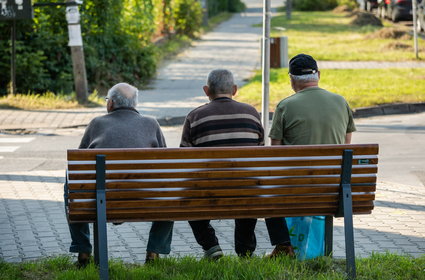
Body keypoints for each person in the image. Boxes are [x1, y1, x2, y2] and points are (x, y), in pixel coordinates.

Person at [180, 69, 294, 259]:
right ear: (234, 89)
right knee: (249, 181)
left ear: (206, 90)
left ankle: (210, 245)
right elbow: (259, 154)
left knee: (188, 194)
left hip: (210, 191)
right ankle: (245, 249)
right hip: (247, 190)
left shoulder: (195, 117)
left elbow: (186, 161)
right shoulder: (250, 113)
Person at [65, 83, 174, 267]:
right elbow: (163, 169)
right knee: (168, 191)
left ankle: (83, 252)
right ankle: (153, 252)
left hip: (102, 201)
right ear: (135, 104)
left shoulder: (96, 123)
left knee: (71, 185)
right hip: (145, 200)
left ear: (111, 104)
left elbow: (79, 167)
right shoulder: (151, 123)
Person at [268, 53, 356, 257]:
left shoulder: (285, 106)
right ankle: (304, 251)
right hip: (333, 188)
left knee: (268, 192)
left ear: (291, 79)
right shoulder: (341, 102)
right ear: (319, 75)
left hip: (297, 188)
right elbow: (346, 147)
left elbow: (275, 154)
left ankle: (284, 247)